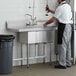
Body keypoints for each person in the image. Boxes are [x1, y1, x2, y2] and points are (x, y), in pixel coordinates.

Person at [43, 0, 73, 69]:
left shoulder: (61, 7)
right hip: (69, 26)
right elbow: (58, 13)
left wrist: (45, 23)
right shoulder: (67, 6)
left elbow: (53, 19)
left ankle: (62, 64)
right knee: (67, 45)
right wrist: (50, 10)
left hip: (64, 27)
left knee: (62, 45)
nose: (57, 0)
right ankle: (68, 62)